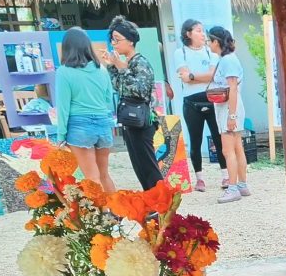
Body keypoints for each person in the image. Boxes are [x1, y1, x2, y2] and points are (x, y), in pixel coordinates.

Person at [103, 15, 164, 190]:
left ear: (130, 41)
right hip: (129, 119)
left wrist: (121, 67)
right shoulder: (126, 62)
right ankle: (152, 201)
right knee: (139, 165)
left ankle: (162, 202)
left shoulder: (140, 62)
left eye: (117, 39)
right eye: (112, 40)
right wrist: (112, 66)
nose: (113, 44)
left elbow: (140, 90)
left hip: (142, 121)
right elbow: (118, 87)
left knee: (148, 165)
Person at [54, 28, 116, 193]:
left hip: (79, 126)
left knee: (92, 178)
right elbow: (109, 100)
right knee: (104, 175)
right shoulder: (102, 70)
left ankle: (104, 217)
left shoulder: (63, 72)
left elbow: (63, 107)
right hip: (103, 124)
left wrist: (61, 135)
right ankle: (117, 214)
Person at [174, 19, 229, 192]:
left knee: (218, 138)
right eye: (198, 30)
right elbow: (183, 74)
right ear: (188, 33)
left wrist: (191, 76)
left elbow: (210, 76)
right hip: (191, 102)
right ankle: (199, 178)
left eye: (203, 30)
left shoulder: (211, 53)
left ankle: (225, 175)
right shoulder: (180, 52)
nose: (202, 34)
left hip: (211, 99)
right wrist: (194, 76)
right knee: (195, 140)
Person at [206, 26, 249, 204]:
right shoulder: (227, 59)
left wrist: (231, 116)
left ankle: (232, 188)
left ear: (217, 42)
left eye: (210, 41)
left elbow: (231, 87)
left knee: (227, 149)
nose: (208, 44)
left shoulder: (227, 61)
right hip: (230, 107)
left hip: (229, 109)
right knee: (237, 147)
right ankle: (241, 184)